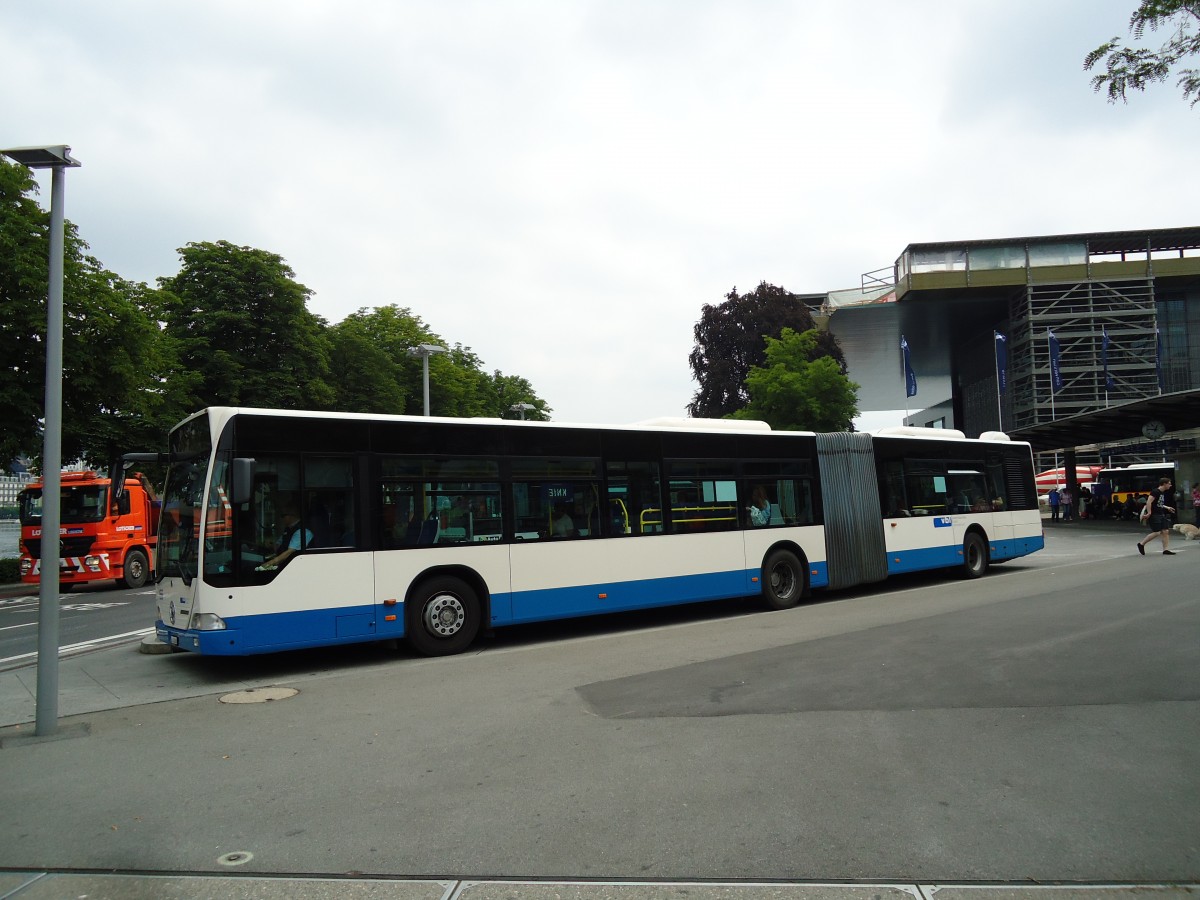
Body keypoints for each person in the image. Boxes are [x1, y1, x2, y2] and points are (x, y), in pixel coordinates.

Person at [258, 503, 313, 570]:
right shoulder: (288, 529)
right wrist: (270, 544)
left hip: (297, 567)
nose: (281, 518)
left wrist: (269, 564)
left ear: (292, 515)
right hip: (287, 564)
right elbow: (279, 545)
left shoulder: (302, 531)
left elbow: (289, 552)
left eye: (283, 515)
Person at [1136, 476, 1176, 556]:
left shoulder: (1161, 492)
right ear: (1164, 484)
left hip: (1161, 513)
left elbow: (1159, 503)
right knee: (1157, 532)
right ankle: (1141, 544)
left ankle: (1165, 549)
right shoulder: (1155, 492)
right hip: (1155, 514)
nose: (1170, 485)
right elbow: (1149, 502)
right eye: (1169, 484)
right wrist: (1149, 513)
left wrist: (1167, 507)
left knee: (1165, 531)